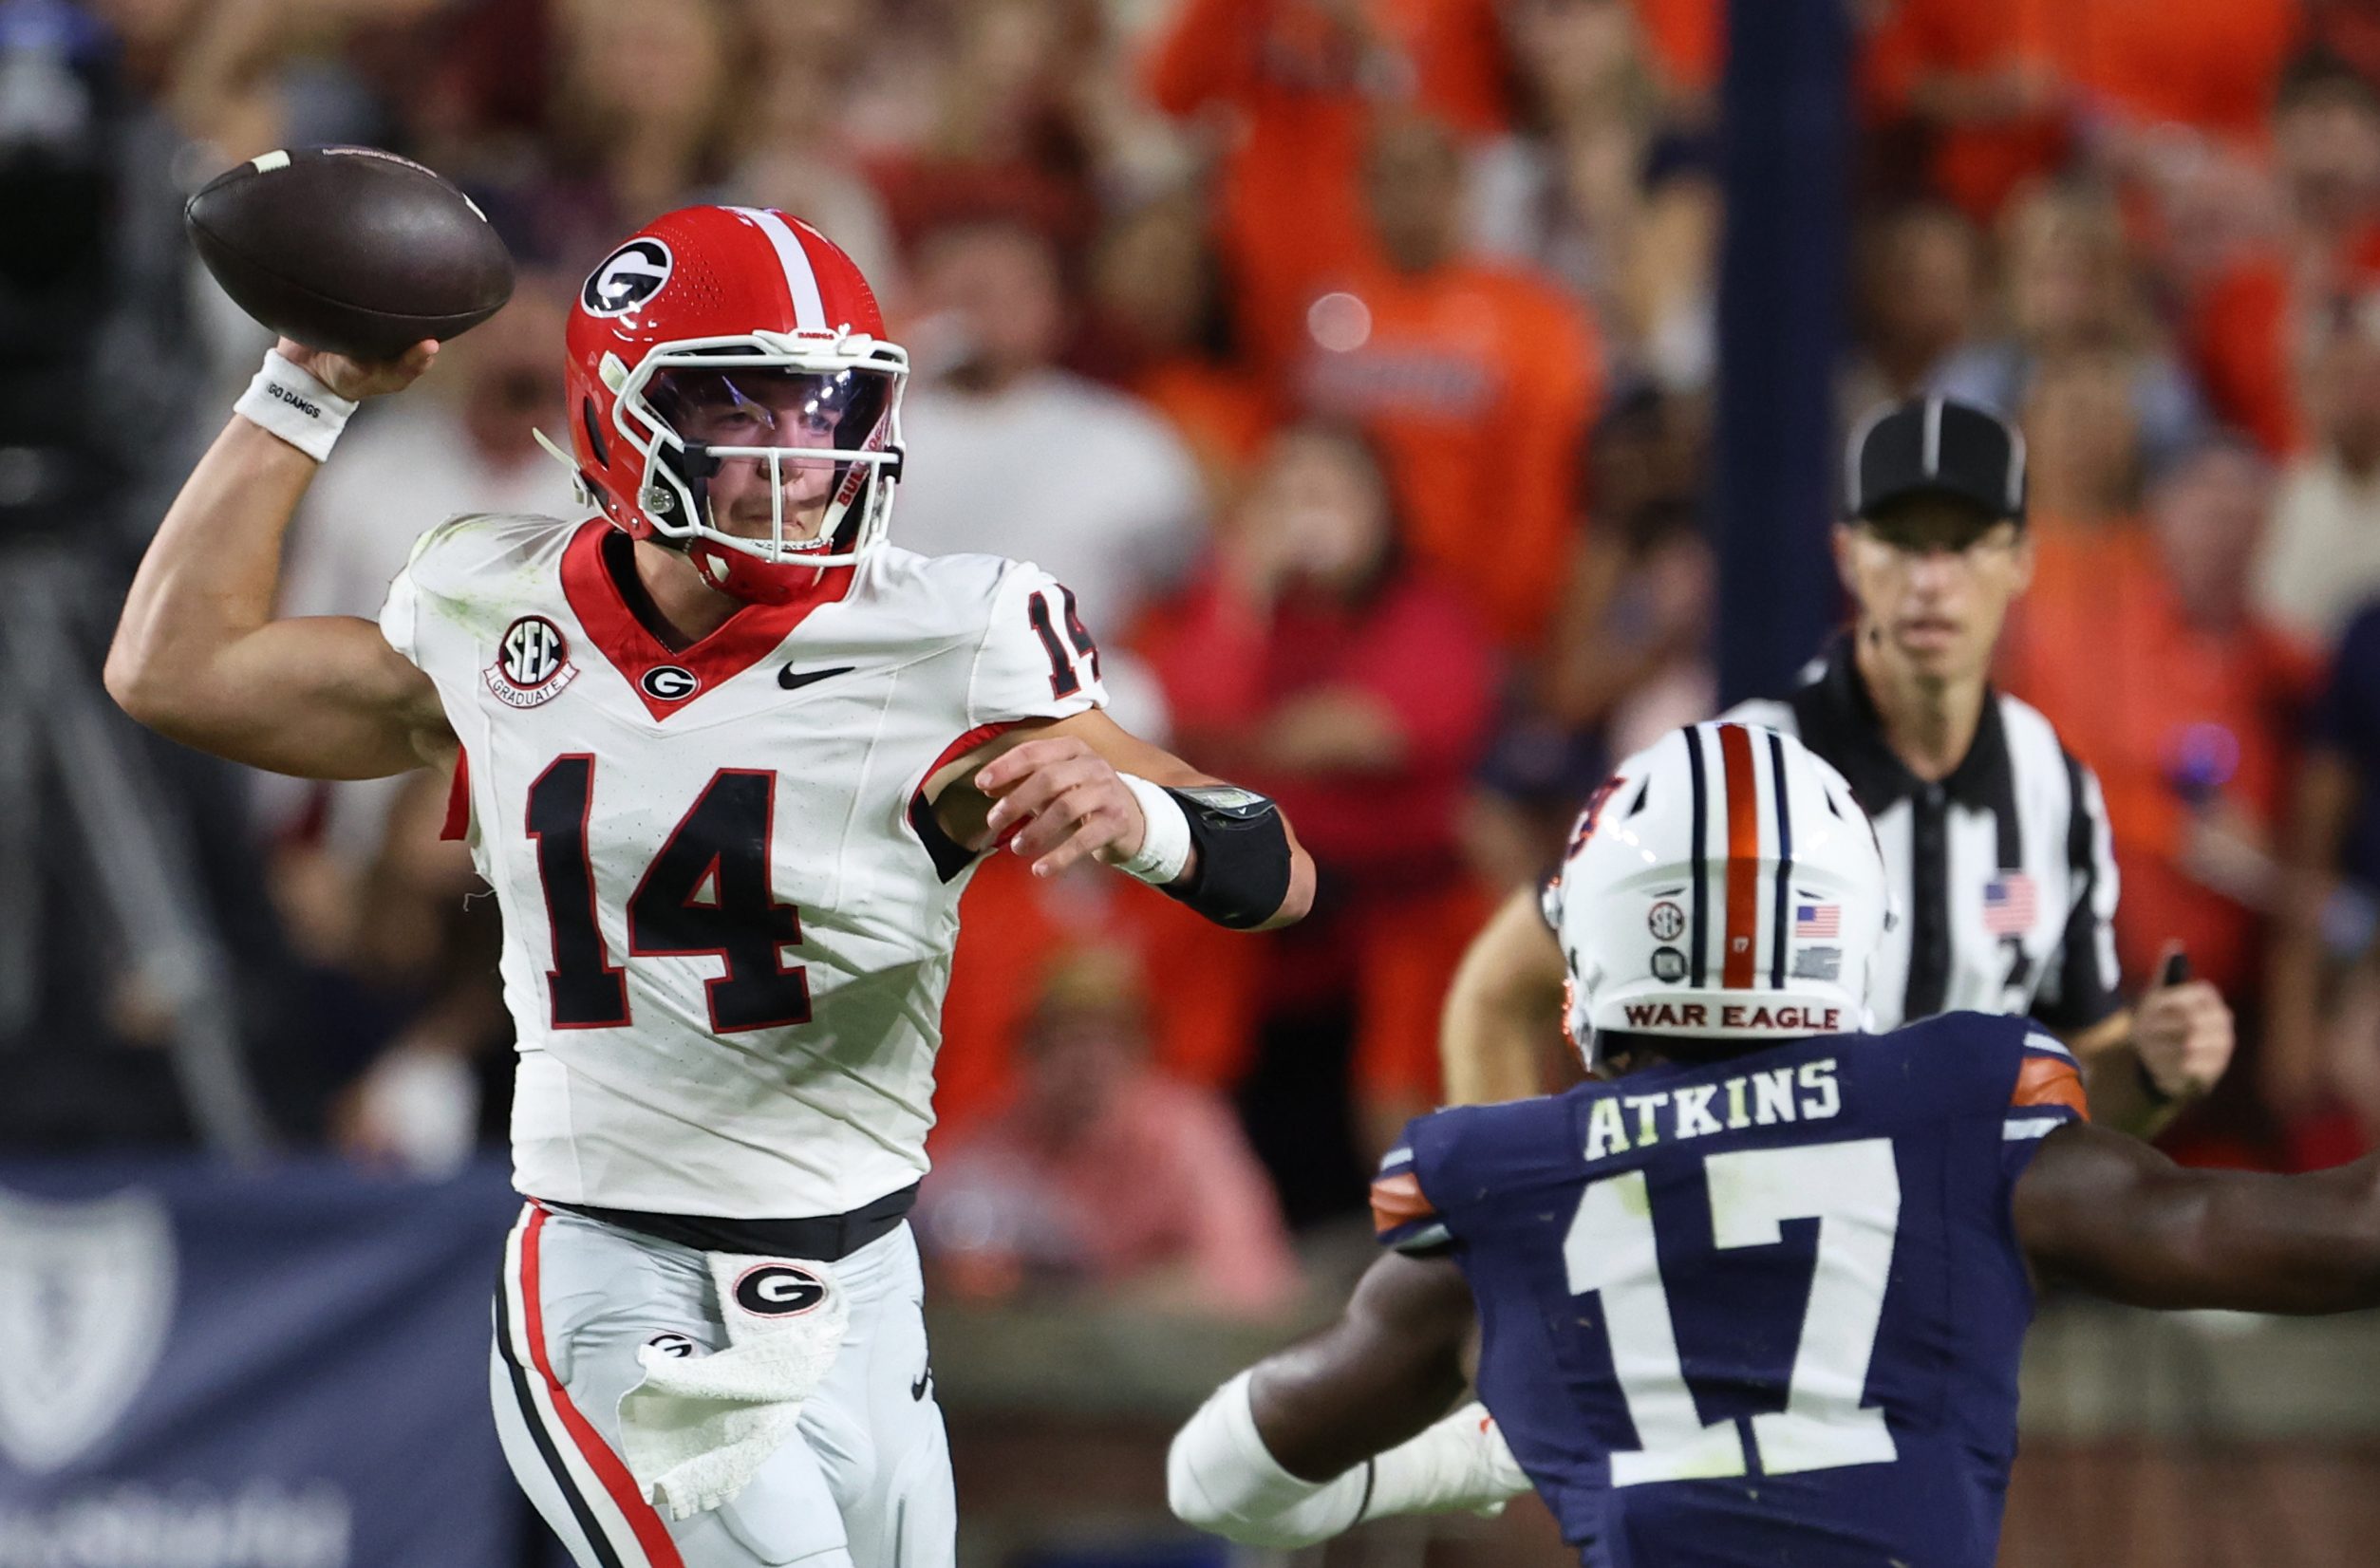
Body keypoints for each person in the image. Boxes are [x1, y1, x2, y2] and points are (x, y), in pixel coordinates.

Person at [105, 203, 1316, 1568]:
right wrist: (299, 390)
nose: (799, 458)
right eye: (742, 409)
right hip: (621, 1274)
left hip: (866, 1283)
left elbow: (1275, 873)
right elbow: (173, 669)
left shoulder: (949, 632)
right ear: (622, 420)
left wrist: (1144, 814)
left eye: (828, 407)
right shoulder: (494, 604)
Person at [1168, 723, 2380, 1565]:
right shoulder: (1963, 1118)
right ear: (1844, 927)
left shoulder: (1501, 1196)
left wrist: (1454, 1456)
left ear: (1594, 943)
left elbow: (1214, 1477)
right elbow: (2345, 1231)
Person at [1442, 397, 2235, 1134]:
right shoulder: (1742, 764)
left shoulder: (2050, 785)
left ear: (2022, 561)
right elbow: (1496, 991)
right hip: (1752, 1254)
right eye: (1898, 542)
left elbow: (2087, 1094)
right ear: (1848, 557)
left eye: (1962, 543)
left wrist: (2155, 1072)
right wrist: (1517, 1225)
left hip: (1955, 1259)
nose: (1930, 581)